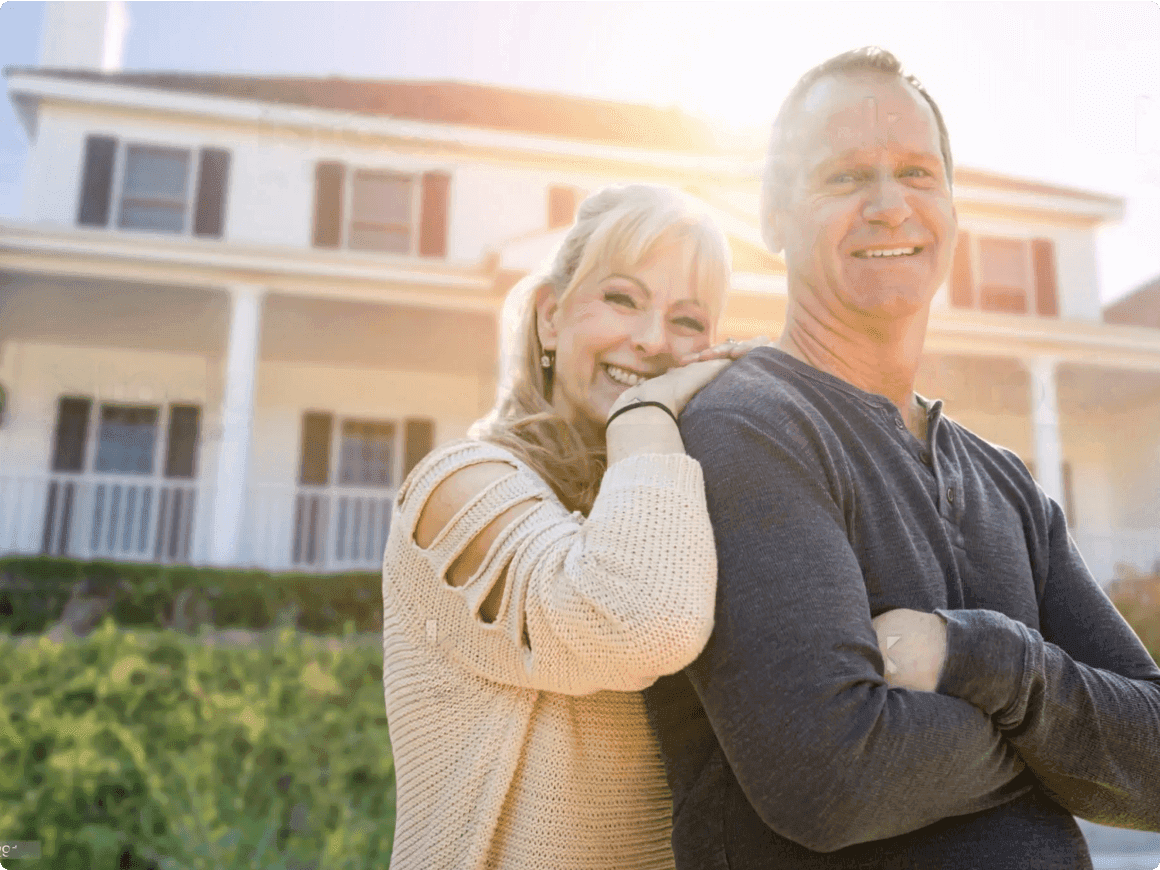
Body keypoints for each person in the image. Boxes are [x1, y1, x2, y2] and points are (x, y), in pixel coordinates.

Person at [643, 47, 1160, 869]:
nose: (890, 208)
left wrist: (983, 659)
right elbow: (833, 777)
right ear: (773, 216)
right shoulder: (747, 430)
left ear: (953, 206)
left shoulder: (1006, 483)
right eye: (845, 178)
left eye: (918, 174)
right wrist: (1060, 755)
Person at [380, 183, 762, 869]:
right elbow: (639, 622)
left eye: (687, 322)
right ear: (552, 318)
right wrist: (646, 416)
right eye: (622, 299)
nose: (650, 341)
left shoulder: (682, 509)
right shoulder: (460, 488)